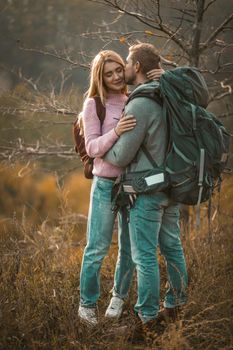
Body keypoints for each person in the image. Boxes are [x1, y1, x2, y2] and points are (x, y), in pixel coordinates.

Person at [104, 43, 188, 326]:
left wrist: (102, 145)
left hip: (146, 191)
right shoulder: (168, 95)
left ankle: (148, 319)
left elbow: (122, 154)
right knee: (173, 248)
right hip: (171, 187)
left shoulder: (140, 102)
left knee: (145, 257)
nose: (124, 69)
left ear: (136, 66)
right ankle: (176, 305)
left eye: (127, 64)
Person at [78, 50, 138, 326]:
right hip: (104, 185)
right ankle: (87, 304)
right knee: (96, 249)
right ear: (100, 78)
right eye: (108, 73)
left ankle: (118, 298)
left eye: (118, 70)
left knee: (128, 248)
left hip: (131, 186)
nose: (115, 77)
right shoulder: (94, 104)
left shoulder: (132, 100)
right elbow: (92, 148)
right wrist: (116, 131)